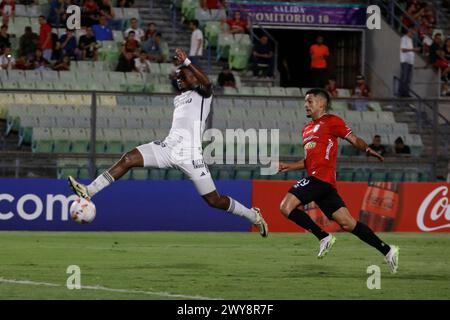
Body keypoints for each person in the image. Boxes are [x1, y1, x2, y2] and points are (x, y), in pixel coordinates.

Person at [68, 47, 268, 238]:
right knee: (128, 158)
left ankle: (253, 216)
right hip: (168, 148)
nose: (179, 79)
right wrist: (185, 68)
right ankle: (89, 191)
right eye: (178, 77)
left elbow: (207, 84)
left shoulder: (202, 95)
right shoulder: (179, 99)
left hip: (191, 156)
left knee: (214, 200)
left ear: (193, 77)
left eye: (184, 76)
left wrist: (187, 62)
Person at [278, 88, 399, 274]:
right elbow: (309, 161)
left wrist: (367, 150)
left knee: (286, 207)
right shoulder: (306, 129)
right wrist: (288, 166)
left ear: (322, 104)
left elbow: (353, 138)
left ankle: (323, 236)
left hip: (321, 179)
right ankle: (388, 250)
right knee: (348, 224)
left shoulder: (332, 121)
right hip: (321, 183)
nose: (306, 105)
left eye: (310, 101)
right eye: (305, 101)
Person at [399, 29, 420, 97]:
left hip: (410, 61)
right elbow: (403, 50)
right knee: (404, 77)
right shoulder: (404, 38)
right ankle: (401, 92)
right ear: (409, 32)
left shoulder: (410, 40)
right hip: (405, 61)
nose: (413, 36)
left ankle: (406, 92)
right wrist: (413, 49)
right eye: (412, 34)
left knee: (408, 79)